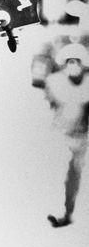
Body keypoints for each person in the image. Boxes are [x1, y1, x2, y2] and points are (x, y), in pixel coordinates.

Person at [42, 43, 89, 228]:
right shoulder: (56, 82)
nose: (73, 65)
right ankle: (65, 212)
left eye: (76, 61)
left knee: (74, 174)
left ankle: (68, 212)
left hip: (82, 135)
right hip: (65, 134)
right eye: (69, 62)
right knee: (66, 174)